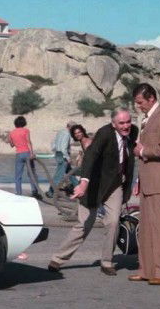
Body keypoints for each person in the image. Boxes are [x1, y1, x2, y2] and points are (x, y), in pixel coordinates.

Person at [48, 108, 137, 276]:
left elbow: (131, 155)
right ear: (113, 124)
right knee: (83, 225)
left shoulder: (134, 131)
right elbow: (90, 156)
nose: (126, 126)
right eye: (121, 123)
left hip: (115, 185)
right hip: (94, 186)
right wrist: (84, 182)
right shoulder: (104, 134)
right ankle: (58, 259)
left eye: (128, 122)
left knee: (113, 222)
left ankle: (107, 261)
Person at [130, 83, 160, 285]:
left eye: (140, 102)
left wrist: (142, 151)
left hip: (159, 180)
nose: (138, 106)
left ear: (151, 98)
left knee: (158, 227)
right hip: (147, 180)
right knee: (147, 228)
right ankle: (147, 269)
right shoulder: (148, 119)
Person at [9, 116, 40, 199]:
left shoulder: (12, 132)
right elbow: (28, 142)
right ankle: (34, 191)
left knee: (18, 175)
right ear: (24, 123)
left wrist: (15, 141)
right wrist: (32, 153)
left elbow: (12, 145)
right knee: (31, 173)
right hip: (27, 153)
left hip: (19, 154)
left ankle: (18, 193)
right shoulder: (26, 130)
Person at [46, 121, 76, 198]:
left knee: (71, 173)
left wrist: (55, 151)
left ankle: (78, 188)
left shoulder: (60, 132)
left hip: (58, 153)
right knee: (59, 175)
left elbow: (53, 143)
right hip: (63, 155)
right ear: (70, 127)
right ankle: (51, 192)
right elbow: (63, 148)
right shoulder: (67, 134)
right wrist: (68, 158)